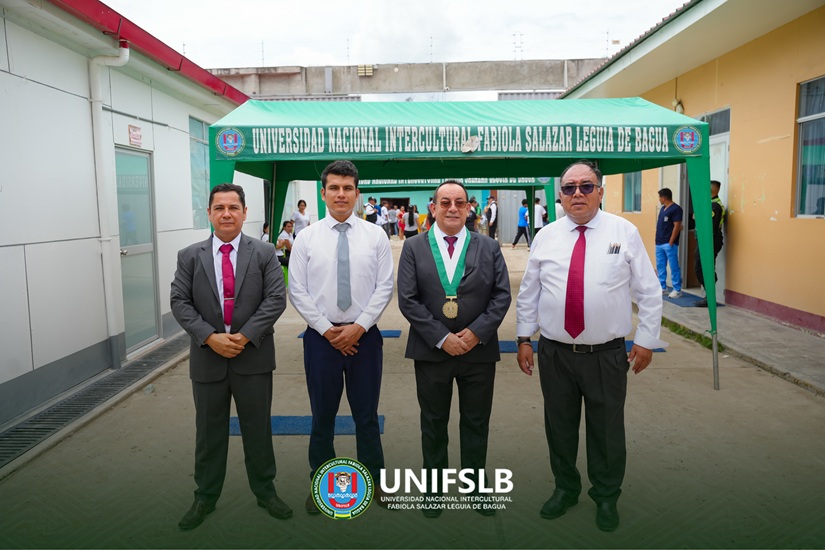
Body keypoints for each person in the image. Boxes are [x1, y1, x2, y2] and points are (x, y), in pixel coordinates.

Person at [515, 160, 667, 532]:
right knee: (559, 427)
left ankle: (606, 496)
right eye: (569, 188)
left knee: (607, 431)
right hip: (555, 353)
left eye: (586, 186)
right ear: (560, 195)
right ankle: (565, 489)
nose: (577, 194)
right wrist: (523, 338)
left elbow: (648, 290)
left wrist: (646, 340)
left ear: (600, 191)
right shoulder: (546, 236)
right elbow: (529, 292)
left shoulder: (623, 231)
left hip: (606, 355)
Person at [170, 183, 292, 530]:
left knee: (258, 428)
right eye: (219, 208)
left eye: (233, 207)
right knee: (208, 433)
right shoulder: (189, 256)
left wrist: (245, 335)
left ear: (244, 212)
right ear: (209, 213)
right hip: (208, 358)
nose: (226, 214)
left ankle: (265, 491)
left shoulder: (264, 252)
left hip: (252, 356)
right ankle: (205, 497)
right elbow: (180, 301)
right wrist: (210, 337)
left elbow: (275, 298)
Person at [398, 180, 511, 519]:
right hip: (431, 351)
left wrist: (476, 333)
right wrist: (442, 337)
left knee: (476, 421)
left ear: (468, 208)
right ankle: (434, 488)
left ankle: (475, 485)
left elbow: (501, 295)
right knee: (433, 422)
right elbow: (408, 299)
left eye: (459, 202)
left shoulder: (488, 247)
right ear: (433, 208)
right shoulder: (414, 247)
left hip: (478, 352)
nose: (452, 208)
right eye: (445, 202)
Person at [288, 160, 395, 514]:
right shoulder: (307, 238)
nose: (341, 194)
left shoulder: (375, 236)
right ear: (323, 193)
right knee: (323, 416)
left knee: (366, 416)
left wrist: (359, 327)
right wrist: (326, 330)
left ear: (357, 193)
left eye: (348, 188)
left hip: (365, 338)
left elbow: (384, 286)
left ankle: (376, 482)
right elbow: (297, 290)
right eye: (334, 187)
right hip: (322, 340)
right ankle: (322, 484)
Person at [694, 180, 726, 307]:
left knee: (701, 268)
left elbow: (710, 226)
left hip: (710, 241)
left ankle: (710, 296)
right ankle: (709, 294)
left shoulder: (714, 206)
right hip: (709, 240)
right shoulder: (711, 204)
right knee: (703, 267)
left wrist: (698, 217)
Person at [655, 188, 684, 299]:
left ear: (664, 197)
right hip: (659, 242)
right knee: (660, 266)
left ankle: (677, 289)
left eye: (660, 197)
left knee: (673, 266)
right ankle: (662, 287)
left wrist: (671, 241)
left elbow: (677, 226)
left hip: (669, 243)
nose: (659, 199)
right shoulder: (663, 209)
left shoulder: (676, 209)